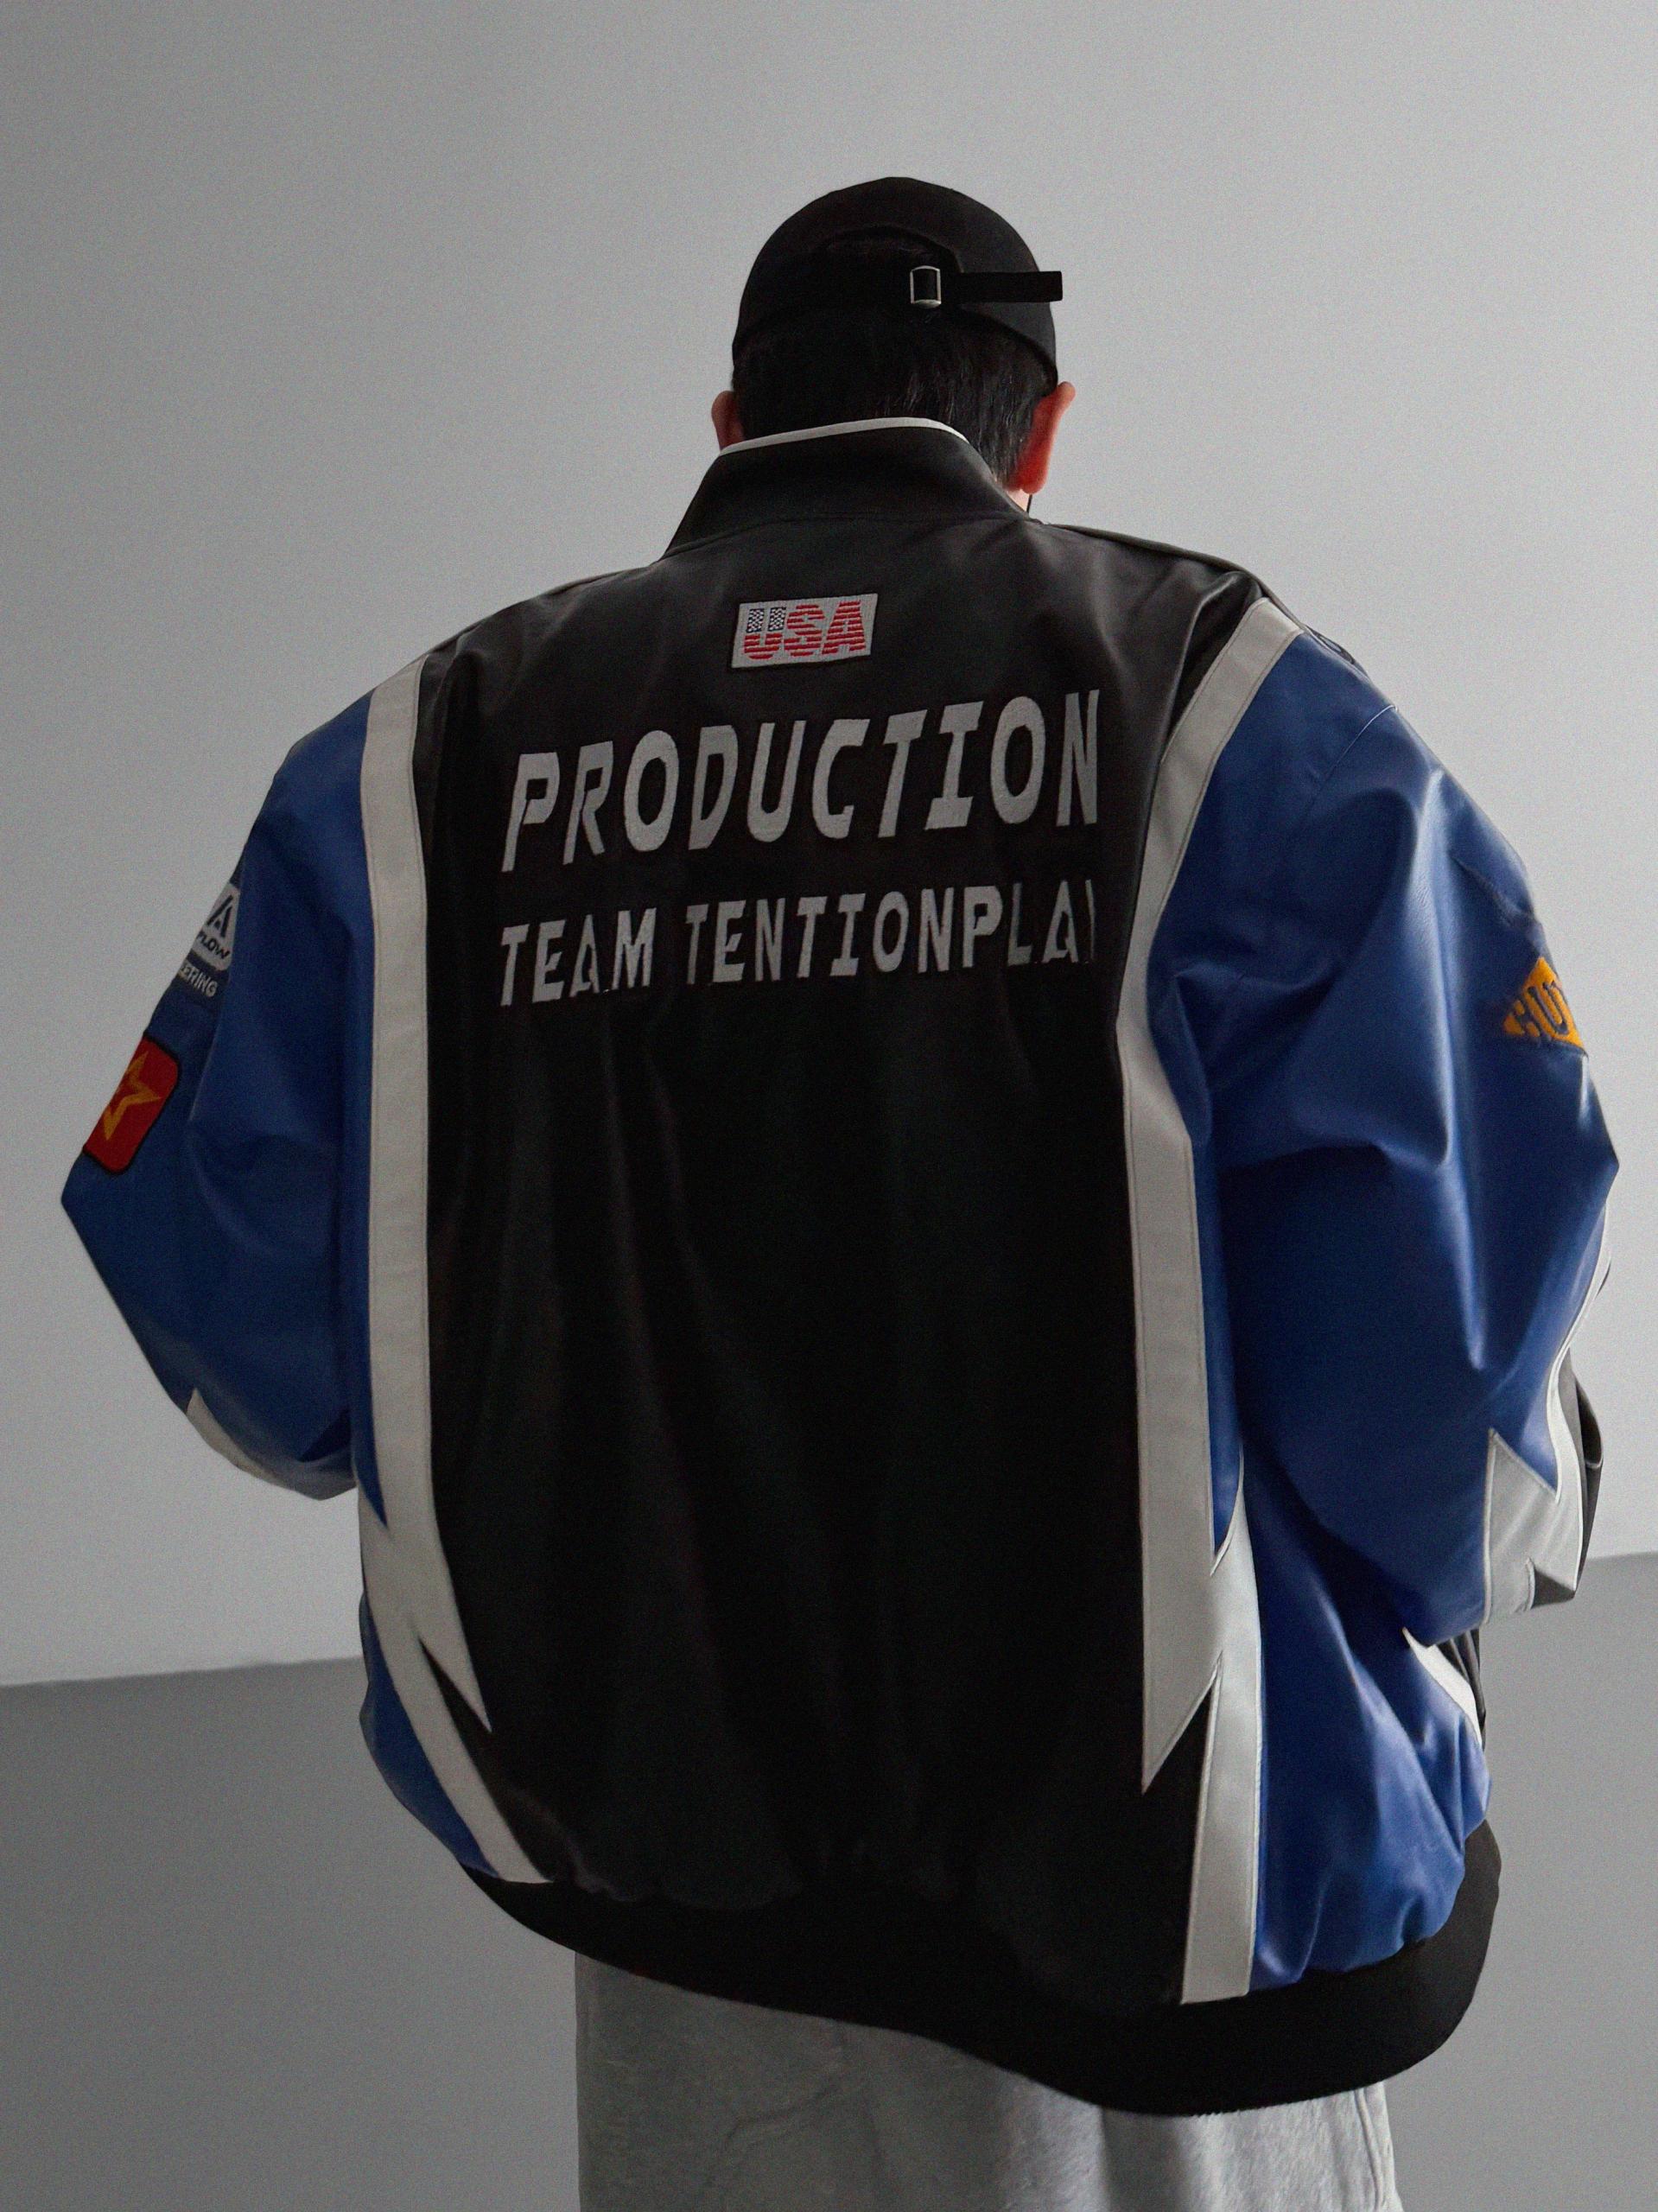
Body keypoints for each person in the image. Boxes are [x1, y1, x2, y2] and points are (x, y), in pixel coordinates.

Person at [61, 175, 1616, 2211]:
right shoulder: (1231, 710)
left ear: (731, 423)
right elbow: (1458, 1413)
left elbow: (243, 1353)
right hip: (1176, 1936)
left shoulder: (410, 762)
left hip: (675, 1909)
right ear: (1040, 433)